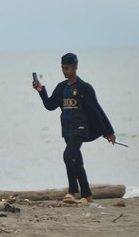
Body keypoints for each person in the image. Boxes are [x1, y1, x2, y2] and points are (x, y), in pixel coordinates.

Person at [32, 52, 116, 205]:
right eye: (63, 68)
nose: (65, 71)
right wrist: (41, 91)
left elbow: (97, 110)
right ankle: (88, 196)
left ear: (75, 67)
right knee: (77, 162)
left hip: (80, 127)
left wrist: (109, 131)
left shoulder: (84, 87)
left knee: (67, 156)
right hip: (67, 129)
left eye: (68, 68)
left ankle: (72, 191)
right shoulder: (61, 87)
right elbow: (50, 105)